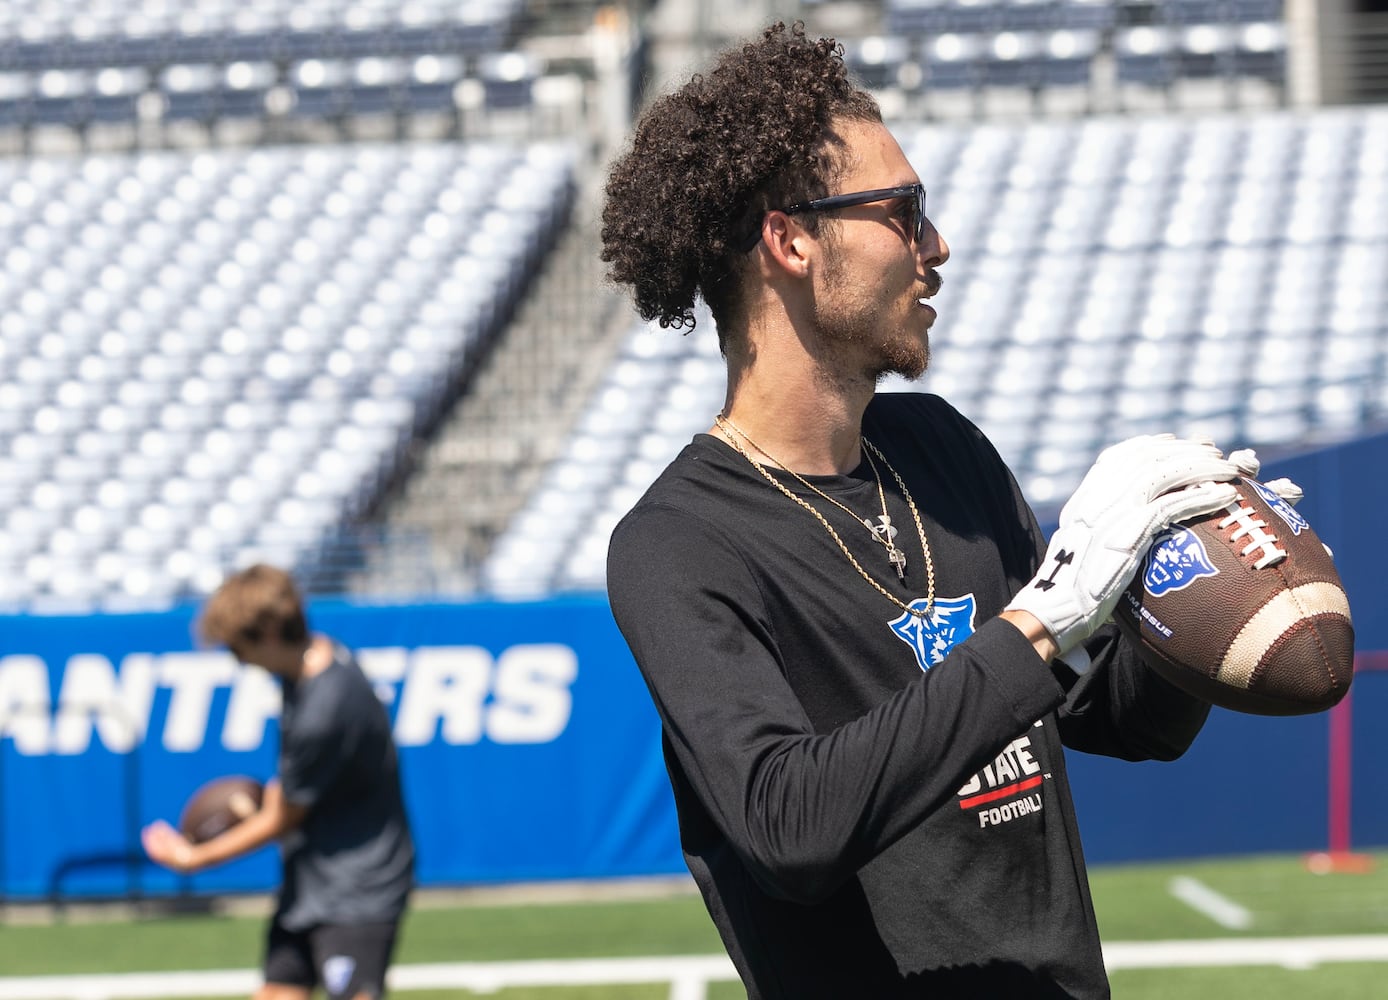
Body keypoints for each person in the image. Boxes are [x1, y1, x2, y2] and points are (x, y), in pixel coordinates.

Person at [601, 22, 1290, 999]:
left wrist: (1185, 574)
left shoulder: (940, 447)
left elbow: (1121, 719)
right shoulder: (676, 544)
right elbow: (786, 826)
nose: (937, 245)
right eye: (902, 210)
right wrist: (1041, 618)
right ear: (790, 239)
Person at [142, 564, 414, 1000]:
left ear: (268, 632)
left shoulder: (323, 710)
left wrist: (195, 857)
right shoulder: (313, 662)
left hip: (358, 885)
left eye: (237, 646)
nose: (237, 658)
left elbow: (280, 818)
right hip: (311, 877)